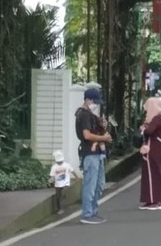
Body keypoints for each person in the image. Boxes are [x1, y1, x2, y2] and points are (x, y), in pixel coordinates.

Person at [75, 87, 113, 224]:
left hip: (96, 153)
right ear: (88, 100)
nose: (96, 104)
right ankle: (87, 213)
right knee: (90, 185)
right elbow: (86, 135)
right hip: (90, 153)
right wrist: (103, 138)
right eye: (94, 101)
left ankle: (93, 211)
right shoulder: (84, 115)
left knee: (99, 184)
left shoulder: (89, 114)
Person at [139, 97, 161, 210]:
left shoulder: (157, 118)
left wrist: (143, 129)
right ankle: (151, 199)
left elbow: (149, 131)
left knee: (153, 174)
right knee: (151, 173)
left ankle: (155, 200)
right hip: (155, 147)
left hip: (153, 148)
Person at [49, 150, 81, 215]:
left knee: (62, 194)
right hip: (57, 184)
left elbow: (72, 171)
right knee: (57, 197)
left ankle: (62, 208)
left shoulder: (67, 165)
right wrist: (51, 180)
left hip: (65, 183)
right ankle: (59, 208)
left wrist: (76, 177)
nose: (60, 162)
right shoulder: (54, 167)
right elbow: (52, 176)